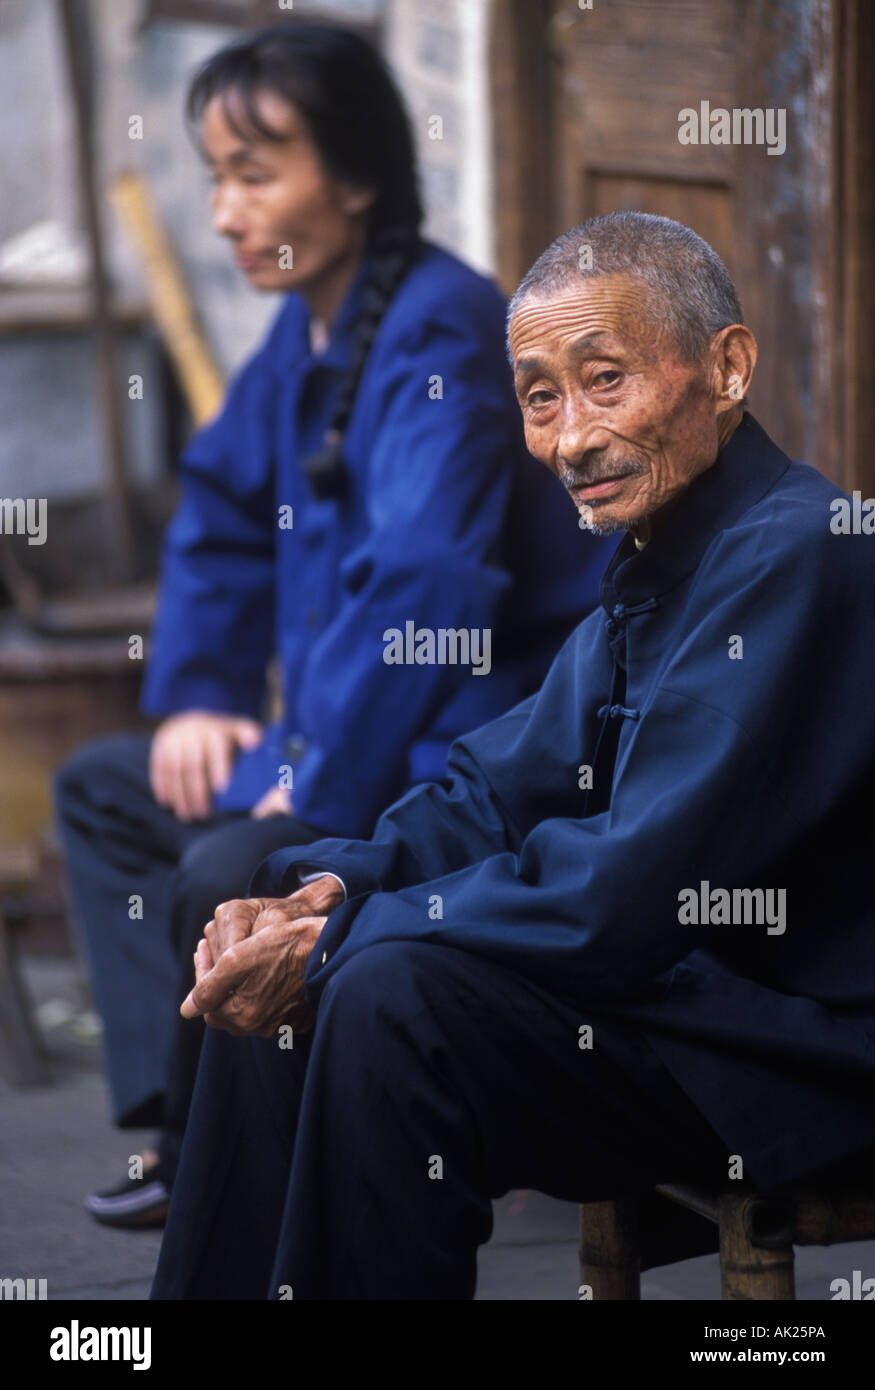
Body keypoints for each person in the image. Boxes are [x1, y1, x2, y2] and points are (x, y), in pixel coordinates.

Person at [151, 212, 875, 1300]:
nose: (570, 437)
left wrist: (342, 934)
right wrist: (324, 889)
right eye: (540, 396)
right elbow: (490, 792)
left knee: (386, 987)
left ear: (724, 367)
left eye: (604, 380)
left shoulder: (800, 550)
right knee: (272, 928)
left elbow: (629, 885)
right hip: (668, 1006)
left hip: (781, 1053)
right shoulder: (655, 559)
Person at [53, 25, 612, 1229]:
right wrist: (200, 686)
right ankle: (180, 1123)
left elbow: (429, 590)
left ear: (354, 180)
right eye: (215, 178)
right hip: (332, 735)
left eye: (256, 174)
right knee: (107, 789)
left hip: (446, 754)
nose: (223, 213)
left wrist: (303, 767)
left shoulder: (439, 332)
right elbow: (218, 503)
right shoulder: (306, 328)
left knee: (224, 866)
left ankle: (224, 1161)